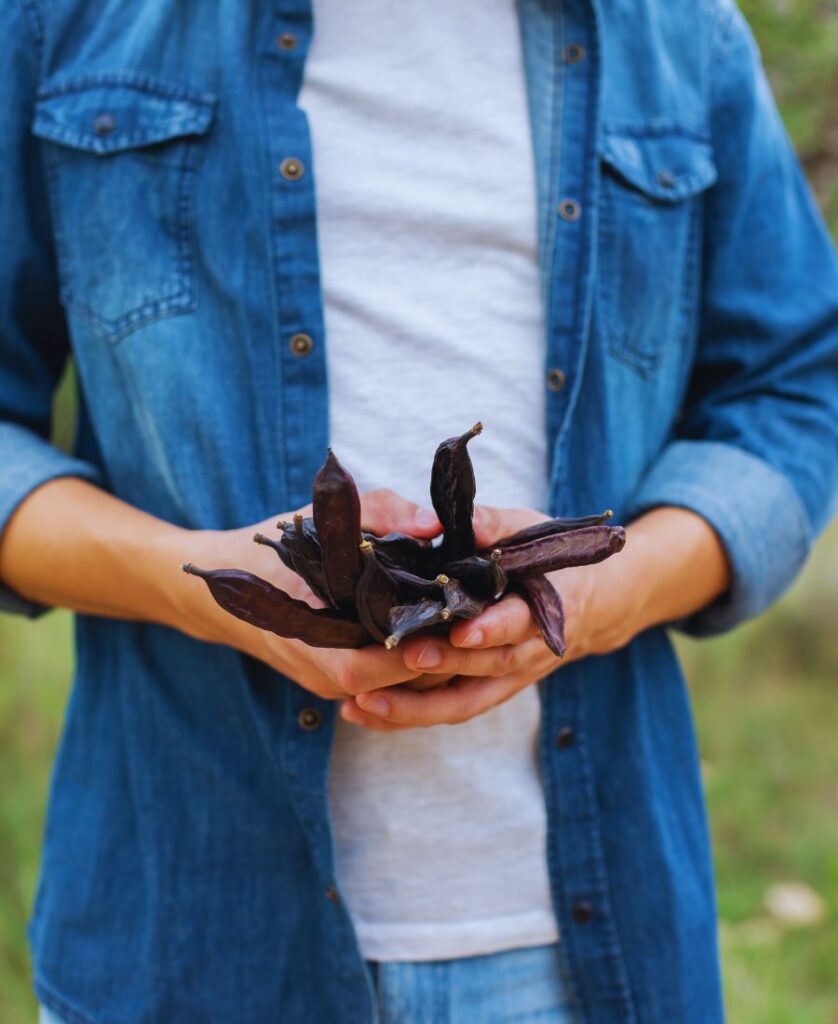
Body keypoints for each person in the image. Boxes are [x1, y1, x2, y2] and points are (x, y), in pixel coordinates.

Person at [1, 0, 836, 1021]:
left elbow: (792, 392)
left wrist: (610, 589)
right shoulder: (60, 23)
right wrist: (198, 584)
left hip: (584, 960)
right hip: (182, 941)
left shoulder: (682, 37)